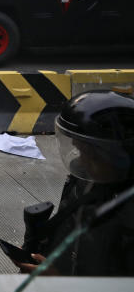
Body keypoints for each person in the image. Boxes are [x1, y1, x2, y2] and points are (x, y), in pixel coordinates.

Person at [13, 90, 134, 276]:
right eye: (79, 149)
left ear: (120, 156)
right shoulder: (85, 182)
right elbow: (70, 232)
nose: (81, 161)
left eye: (90, 154)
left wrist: (63, 279)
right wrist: (39, 252)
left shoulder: (126, 211)